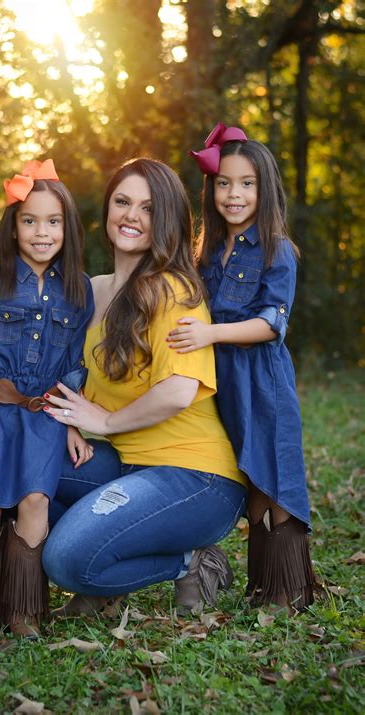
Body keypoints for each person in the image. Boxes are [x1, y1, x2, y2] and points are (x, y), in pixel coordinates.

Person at [41, 158, 248, 617]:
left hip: (197, 479)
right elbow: (59, 370)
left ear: (168, 221)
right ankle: (105, 553)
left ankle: (191, 562)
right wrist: (65, 422)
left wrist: (106, 420)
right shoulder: (91, 292)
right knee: (24, 467)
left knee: (65, 559)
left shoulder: (171, 290)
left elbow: (177, 390)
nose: (131, 216)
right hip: (129, 466)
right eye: (122, 202)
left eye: (148, 208)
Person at [167, 123, 315, 609]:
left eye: (247, 184)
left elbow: (273, 322)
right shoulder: (205, 248)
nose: (234, 194)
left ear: (265, 189)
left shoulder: (277, 250)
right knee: (246, 474)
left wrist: (210, 334)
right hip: (219, 381)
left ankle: (287, 589)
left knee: (272, 471)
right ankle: (260, 585)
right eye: (225, 183)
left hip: (262, 379)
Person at [0, 159, 94, 637]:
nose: (42, 232)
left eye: (53, 222)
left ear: (67, 229)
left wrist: (71, 424)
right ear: (12, 228)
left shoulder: (79, 290)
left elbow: (74, 368)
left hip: (46, 413)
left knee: (34, 501)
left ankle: (25, 610)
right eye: (30, 221)